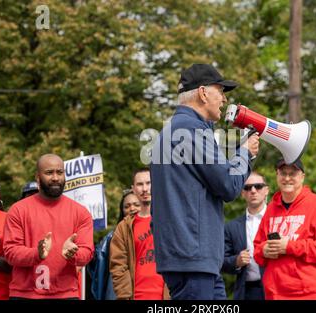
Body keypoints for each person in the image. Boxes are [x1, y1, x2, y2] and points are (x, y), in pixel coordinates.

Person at [150, 63, 260, 300]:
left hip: (189, 259)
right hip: (193, 260)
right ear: (202, 93)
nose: (223, 99)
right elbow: (229, 186)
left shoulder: (172, 131)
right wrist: (245, 153)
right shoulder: (192, 130)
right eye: (220, 91)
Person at [3, 154, 94, 299]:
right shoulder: (18, 210)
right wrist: (36, 254)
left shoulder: (81, 212)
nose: (56, 178)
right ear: (38, 177)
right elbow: (10, 252)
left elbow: (87, 252)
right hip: (25, 294)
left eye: (60, 172)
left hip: (66, 294)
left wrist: (73, 254)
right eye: (49, 173)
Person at [253, 158, 316, 300]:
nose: (287, 178)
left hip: (309, 293)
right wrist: (264, 250)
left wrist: (289, 246)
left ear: (302, 177)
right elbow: (257, 248)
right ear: (277, 175)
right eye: (283, 173)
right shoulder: (271, 208)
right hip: (275, 293)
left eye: (292, 173)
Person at [109, 168, 169, 300]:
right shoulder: (124, 227)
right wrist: (124, 296)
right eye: (140, 184)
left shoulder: (170, 220)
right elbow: (118, 265)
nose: (145, 189)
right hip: (136, 295)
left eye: (148, 183)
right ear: (133, 188)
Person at [222, 171, 268, 300]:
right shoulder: (231, 227)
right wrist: (236, 261)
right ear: (242, 193)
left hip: (275, 288)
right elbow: (221, 261)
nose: (253, 191)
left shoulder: (279, 219)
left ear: (266, 190)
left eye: (258, 186)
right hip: (246, 291)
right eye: (247, 187)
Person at [89, 189, 141, 300]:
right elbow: (97, 260)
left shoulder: (154, 230)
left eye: (136, 204)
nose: (132, 208)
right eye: (127, 206)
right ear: (122, 211)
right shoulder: (112, 237)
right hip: (119, 290)